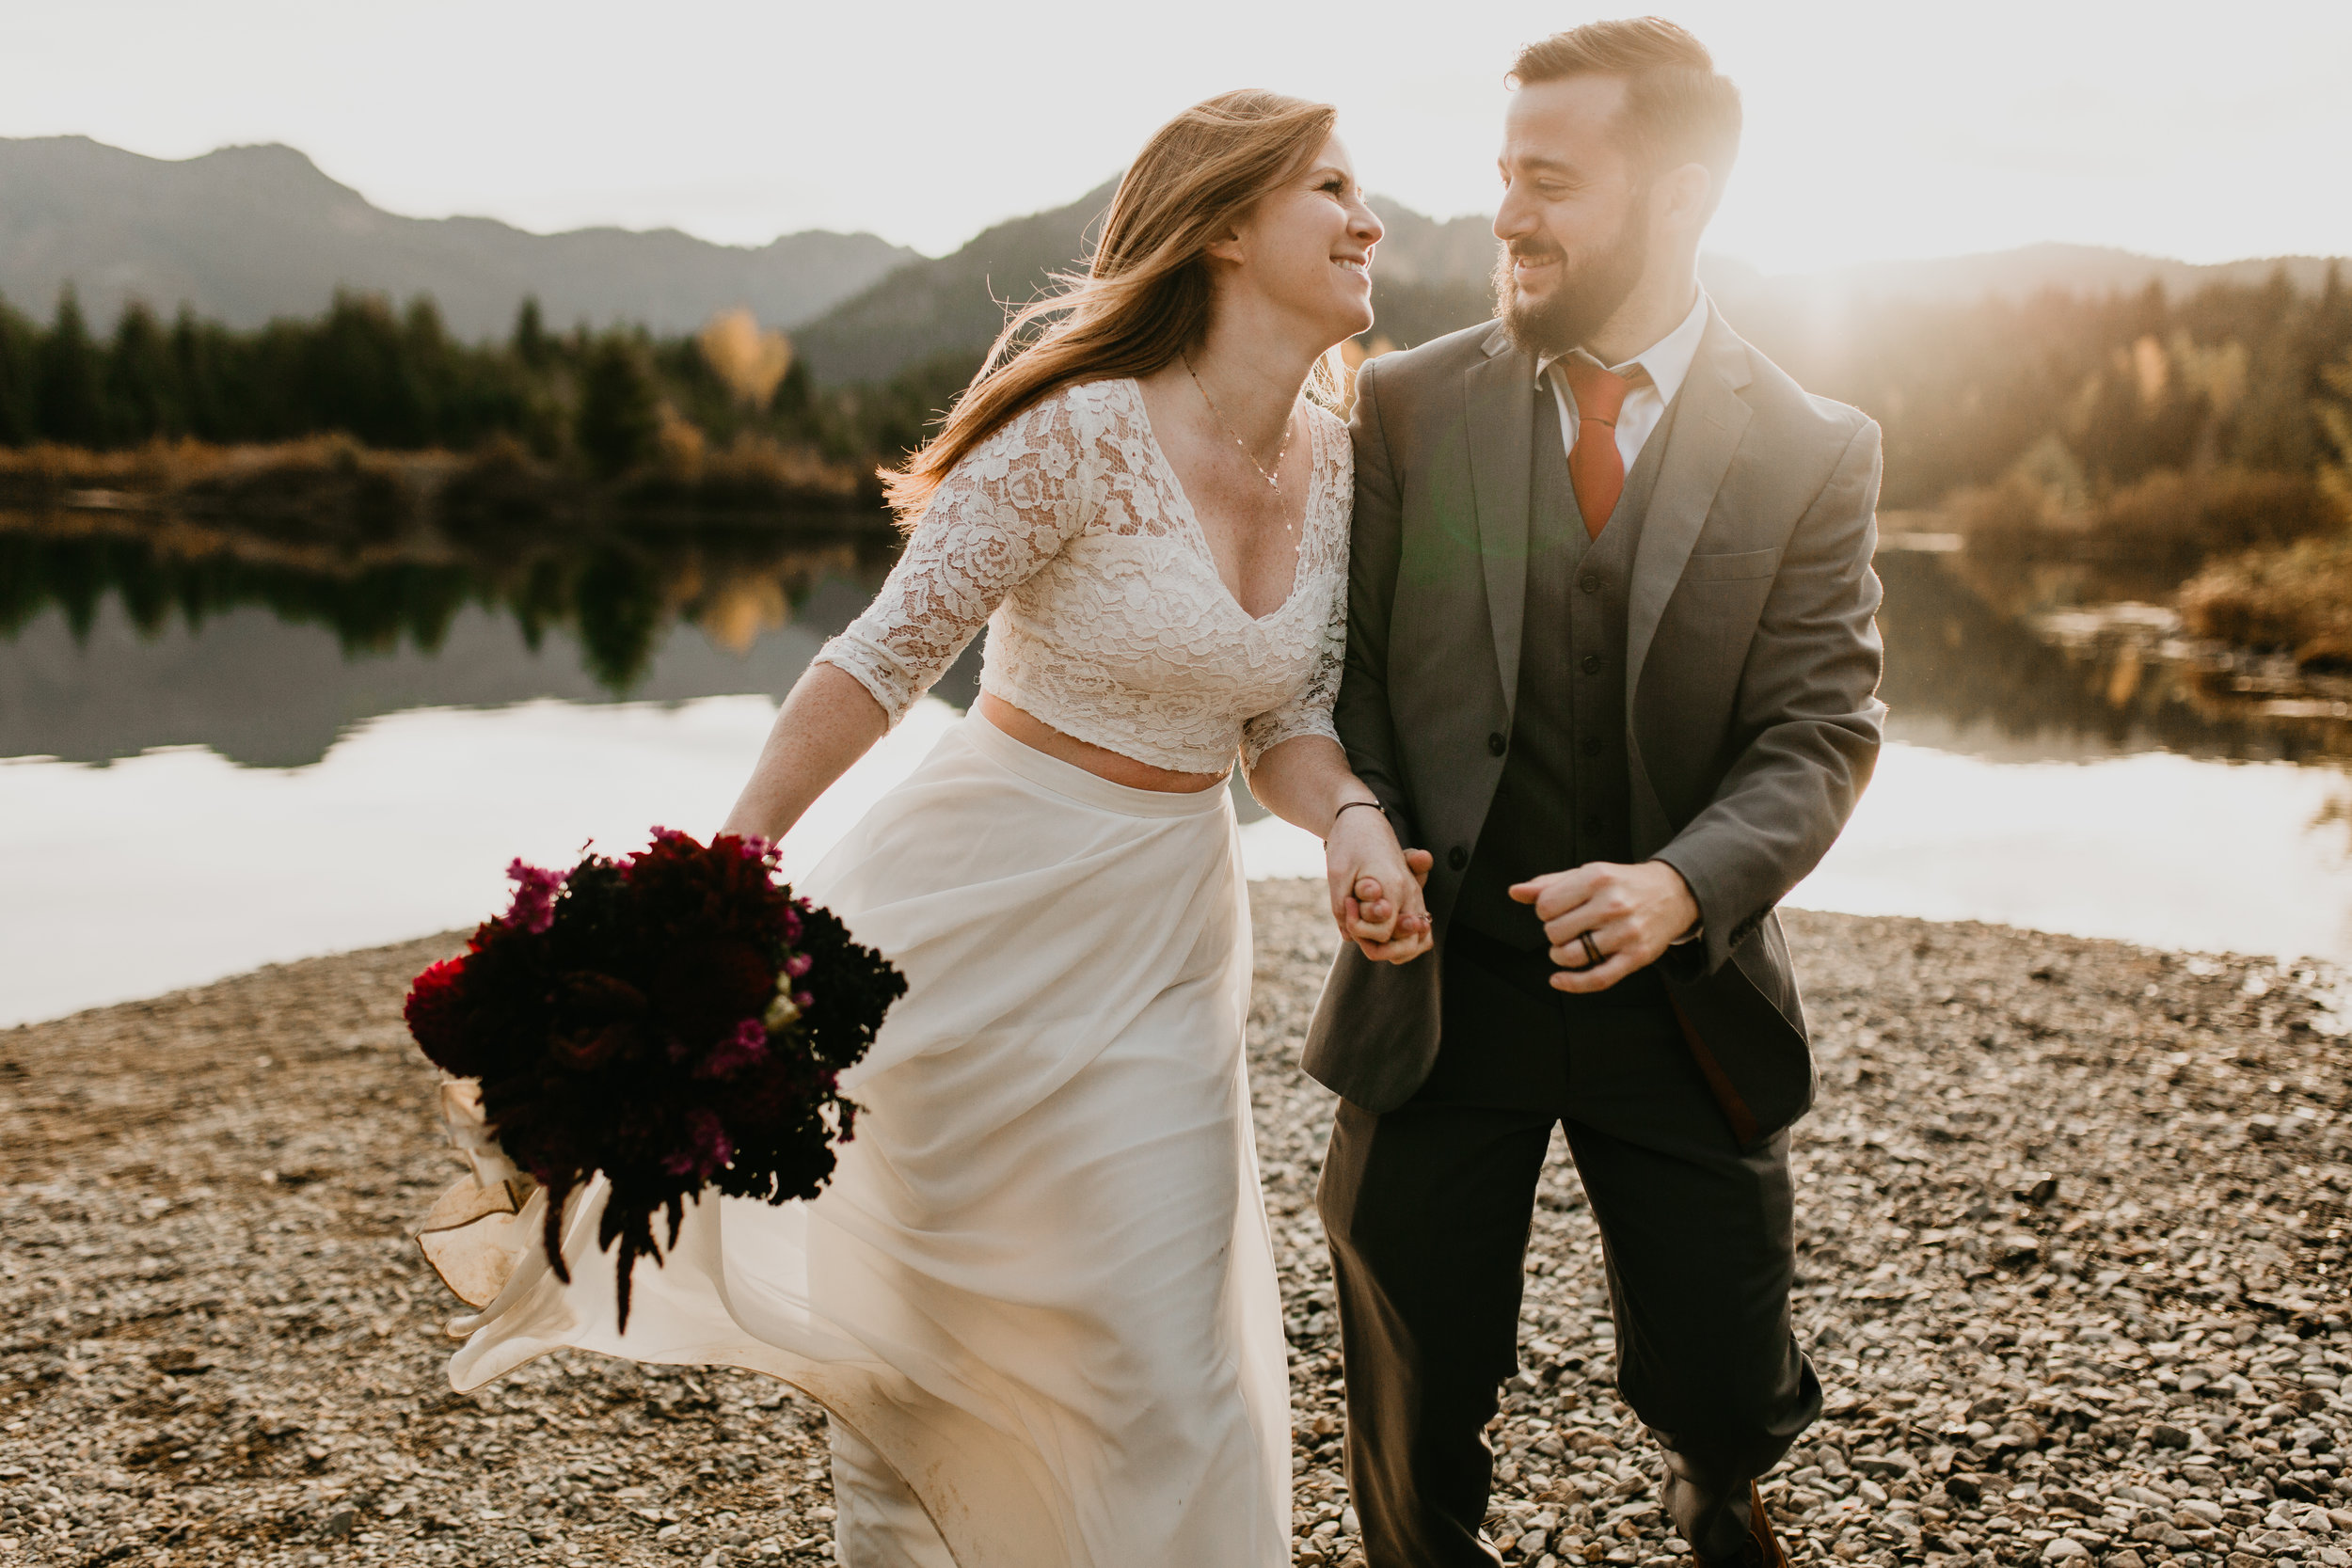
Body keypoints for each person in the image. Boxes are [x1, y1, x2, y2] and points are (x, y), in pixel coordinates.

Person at [428, 90, 1432, 1568]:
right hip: (968, 918)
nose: (1371, 221)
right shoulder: (1077, 429)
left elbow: (1284, 721)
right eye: (1333, 188)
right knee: (939, 1341)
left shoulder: (1337, 460)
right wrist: (736, 861)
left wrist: (1347, 819)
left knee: (1169, 1356)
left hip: (1163, 936)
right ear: (1223, 223)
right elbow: (883, 658)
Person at [1307, 20, 1885, 1568]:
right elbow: (1346, 679)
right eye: (1504, 175)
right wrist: (1361, 823)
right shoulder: (1408, 409)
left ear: (1680, 197)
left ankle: (1717, 1483)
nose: (1507, 215)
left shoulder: (1817, 449)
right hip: (1440, 993)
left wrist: (1683, 885)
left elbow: (1820, 730)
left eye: (1550, 180)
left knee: (1722, 1368)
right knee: (1416, 1389)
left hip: (1681, 994)